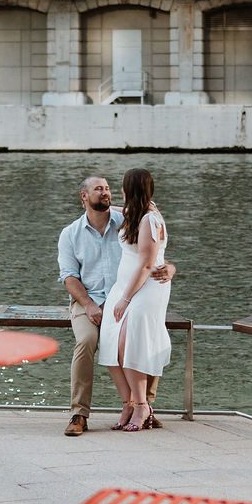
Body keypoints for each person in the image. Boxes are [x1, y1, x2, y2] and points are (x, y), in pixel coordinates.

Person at [57, 174, 172, 437]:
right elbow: (68, 277)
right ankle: (79, 413)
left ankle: (143, 405)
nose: (106, 192)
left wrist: (171, 269)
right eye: (99, 189)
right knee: (87, 342)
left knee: (137, 338)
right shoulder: (70, 234)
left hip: (127, 296)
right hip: (89, 301)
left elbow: (154, 252)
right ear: (84, 197)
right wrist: (87, 304)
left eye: (109, 188)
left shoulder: (127, 218)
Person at [99, 168, 173, 434]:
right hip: (123, 287)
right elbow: (120, 210)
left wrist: (126, 299)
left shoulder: (150, 220)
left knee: (127, 343)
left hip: (147, 288)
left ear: (130, 189)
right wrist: (102, 206)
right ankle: (128, 402)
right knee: (109, 343)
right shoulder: (135, 213)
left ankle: (142, 404)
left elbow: (146, 263)